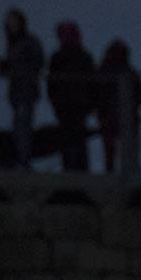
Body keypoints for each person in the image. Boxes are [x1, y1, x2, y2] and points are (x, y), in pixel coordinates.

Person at [0, 8, 44, 169]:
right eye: (10, 22)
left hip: (26, 91)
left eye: (14, 22)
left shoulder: (28, 42)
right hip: (16, 92)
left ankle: (24, 161)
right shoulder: (13, 43)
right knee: (18, 127)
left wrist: (15, 68)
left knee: (23, 128)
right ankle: (21, 159)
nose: (12, 25)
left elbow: (37, 63)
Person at [46, 21, 97, 172]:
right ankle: (79, 168)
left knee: (70, 138)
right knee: (76, 137)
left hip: (70, 105)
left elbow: (51, 84)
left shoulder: (59, 57)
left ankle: (71, 167)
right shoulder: (83, 56)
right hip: (74, 104)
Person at [96, 38, 141, 173]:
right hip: (124, 117)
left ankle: (112, 172)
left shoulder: (103, 71)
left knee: (112, 149)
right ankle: (129, 170)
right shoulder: (130, 72)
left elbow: (98, 95)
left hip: (112, 117)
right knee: (126, 148)